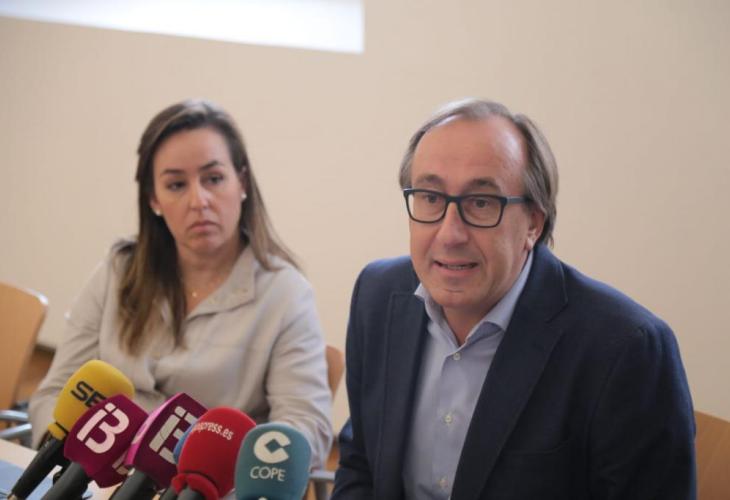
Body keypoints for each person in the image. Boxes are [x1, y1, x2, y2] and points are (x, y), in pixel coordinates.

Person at [332, 98, 695, 499]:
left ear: (534, 224)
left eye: (481, 203)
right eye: (431, 198)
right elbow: (361, 464)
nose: (450, 234)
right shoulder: (379, 295)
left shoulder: (627, 349)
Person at [29, 99, 332, 468]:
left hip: (200, 486)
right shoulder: (119, 269)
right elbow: (55, 393)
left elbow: (306, 430)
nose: (198, 201)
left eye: (214, 179)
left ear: (242, 183)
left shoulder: (285, 293)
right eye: (176, 184)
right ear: (154, 199)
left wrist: (223, 474)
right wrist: (64, 465)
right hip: (94, 478)